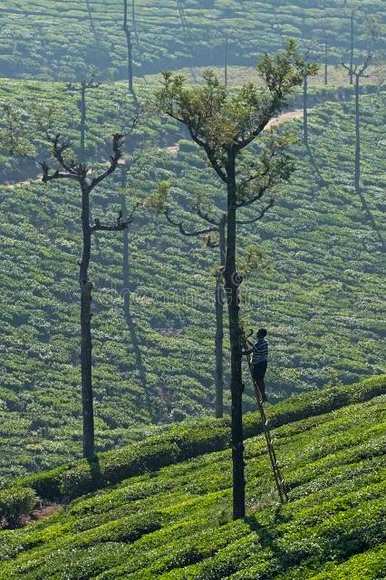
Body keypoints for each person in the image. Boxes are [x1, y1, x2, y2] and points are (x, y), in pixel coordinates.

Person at [251, 328, 269, 402]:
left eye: (258, 332)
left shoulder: (258, 344)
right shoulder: (265, 342)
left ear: (260, 334)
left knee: (258, 381)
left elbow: (251, 350)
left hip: (258, 364)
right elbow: (254, 347)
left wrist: (240, 353)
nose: (256, 333)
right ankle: (262, 396)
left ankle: (262, 396)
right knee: (260, 380)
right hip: (264, 363)